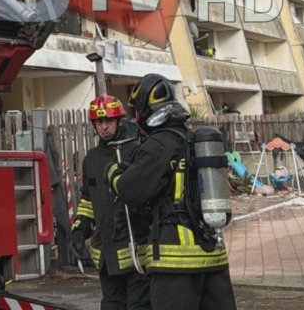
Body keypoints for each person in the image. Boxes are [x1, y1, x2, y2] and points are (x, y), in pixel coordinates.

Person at [105, 76, 236, 310]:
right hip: (213, 256)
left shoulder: (160, 144)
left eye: (137, 111)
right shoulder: (190, 139)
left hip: (175, 264)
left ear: (147, 109)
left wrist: (114, 172)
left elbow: (131, 191)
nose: (135, 118)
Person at [72, 94, 150, 310]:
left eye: (109, 121)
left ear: (119, 121)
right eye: (99, 122)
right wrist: (79, 230)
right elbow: (88, 199)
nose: (104, 127)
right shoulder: (91, 159)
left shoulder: (134, 151)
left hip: (135, 254)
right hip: (106, 257)